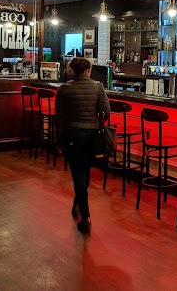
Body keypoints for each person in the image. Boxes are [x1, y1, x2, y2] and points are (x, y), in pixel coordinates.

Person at [55, 57, 111, 234]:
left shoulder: (64, 89)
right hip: (92, 135)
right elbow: (106, 111)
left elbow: (59, 118)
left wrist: (59, 141)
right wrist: (96, 121)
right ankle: (78, 204)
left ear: (73, 71)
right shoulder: (98, 87)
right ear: (88, 71)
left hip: (72, 134)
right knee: (85, 172)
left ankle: (85, 215)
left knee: (78, 174)